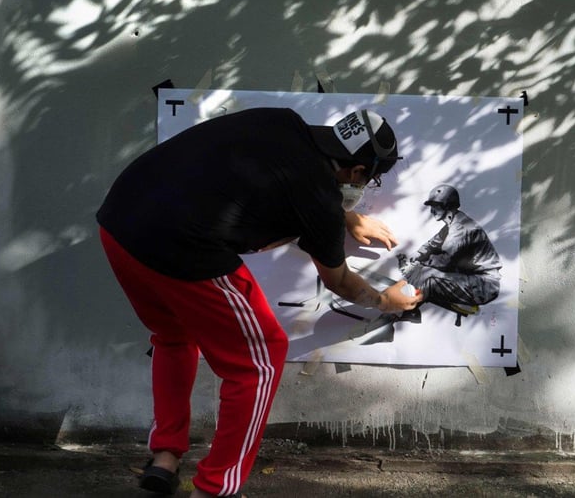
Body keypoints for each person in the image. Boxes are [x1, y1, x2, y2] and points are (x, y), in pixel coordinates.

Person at [97, 107, 420, 498]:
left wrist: (343, 218)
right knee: (261, 359)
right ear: (356, 172)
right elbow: (340, 283)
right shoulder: (318, 200)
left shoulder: (280, 121)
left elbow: (288, 181)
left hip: (120, 221)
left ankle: (165, 457)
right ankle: (215, 488)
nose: (366, 187)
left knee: (172, 335)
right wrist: (388, 300)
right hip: (183, 244)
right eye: (370, 178)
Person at [397, 184, 501, 325]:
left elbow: (445, 260)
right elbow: (432, 244)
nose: (432, 211)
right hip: (469, 277)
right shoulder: (452, 224)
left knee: (428, 274)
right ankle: (411, 295)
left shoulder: (461, 228)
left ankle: (410, 310)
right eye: (431, 206)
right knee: (422, 270)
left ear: (448, 206)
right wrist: (416, 256)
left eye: (436, 206)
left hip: (483, 285)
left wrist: (419, 265)